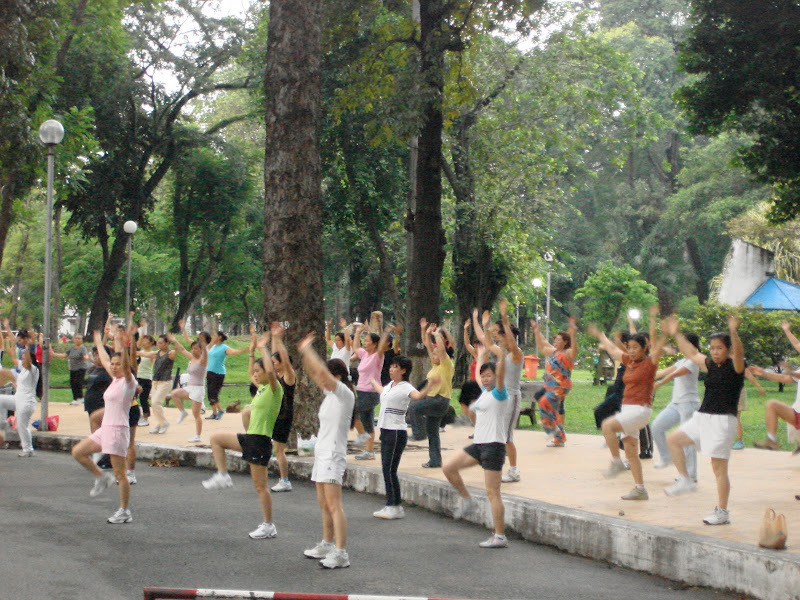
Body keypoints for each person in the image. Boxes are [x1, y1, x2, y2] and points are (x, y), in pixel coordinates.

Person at [663, 315, 746, 526]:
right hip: (702, 417)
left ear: (728, 350)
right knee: (673, 440)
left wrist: (733, 331)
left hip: (723, 422)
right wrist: (676, 333)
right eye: (712, 348)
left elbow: (739, 353)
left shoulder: (736, 367)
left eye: (719, 348)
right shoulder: (710, 364)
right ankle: (685, 479)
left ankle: (723, 512)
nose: (715, 351)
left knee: (718, 469)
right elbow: (691, 353)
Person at [202, 331, 284, 540]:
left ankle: (269, 525)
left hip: (261, 441)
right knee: (216, 439)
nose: (255, 375)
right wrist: (252, 352)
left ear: (267, 372)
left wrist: (263, 348)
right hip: (251, 438)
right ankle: (223, 475)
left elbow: (271, 372)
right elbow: (251, 374)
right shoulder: (262, 389)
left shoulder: (274, 389)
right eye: (255, 372)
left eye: (258, 371)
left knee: (261, 486)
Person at [588, 311, 665, 502]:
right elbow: (613, 350)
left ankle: (616, 462)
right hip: (628, 409)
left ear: (644, 348)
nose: (631, 351)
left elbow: (655, 345)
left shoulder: (649, 363)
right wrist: (600, 335)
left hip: (640, 410)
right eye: (629, 347)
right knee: (631, 451)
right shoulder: (629, 361)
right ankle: (640, 489)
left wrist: (654, 321)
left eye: (635, 347)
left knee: (607, 426)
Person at [442, 337, 510, 548]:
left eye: (489, 375)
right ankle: (467, 499)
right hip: (479, 445)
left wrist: (500, 354)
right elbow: (480, 380)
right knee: (449, 468)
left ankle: (500, 536)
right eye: (483, 376)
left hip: (494, 446)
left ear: (497, 377)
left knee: (493, 493)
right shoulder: (484, 395)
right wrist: (480, 356)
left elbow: (500, 373)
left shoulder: (500, 394)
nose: (485, 379)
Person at [298, 333, 355, 569]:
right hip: (321, 454)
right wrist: (303, 353)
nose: (321, 380)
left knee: (334, 505)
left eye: (328, 376)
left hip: (333, 455)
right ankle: (327, 544)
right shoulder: (329, 395)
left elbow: (321, 372)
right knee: (323, 503)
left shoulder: (345, 395)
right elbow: (315, 373)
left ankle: (341, 553)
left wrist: (308, 349)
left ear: (338, 377)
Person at [71, 329, 137, 523]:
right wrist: (99, 341)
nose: (114, 367)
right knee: (78, 452)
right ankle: (101, 477)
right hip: (105, 429)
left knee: (120, 475)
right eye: (113, 364)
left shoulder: (128, 382)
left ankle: (124, 511)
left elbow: (126, 366)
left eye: (118, 364)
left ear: (125, 366)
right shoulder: (115, 379)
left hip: (118, 431)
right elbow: (106, 359)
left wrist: (123, 345)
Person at [369, 356, 436, 519]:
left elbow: (418, 396)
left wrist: (430, 385)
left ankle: (394, 506)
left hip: (396, 432)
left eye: (395, 367)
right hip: (385, 430)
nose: (391, 369)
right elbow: (382, 392)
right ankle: (392, 505)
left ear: (403, 371)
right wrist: (371, 381)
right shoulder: (390, 386)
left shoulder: (406, 387)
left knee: (389, 470)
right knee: (386, 469)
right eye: (391, 366)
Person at [651, 333, 702, 479]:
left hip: (689, 404)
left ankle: (690, 474)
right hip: (675, 403)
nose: (680, 346)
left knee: (686, 438)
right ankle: (666, 457)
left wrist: (659, 384)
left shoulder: (694, 361)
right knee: (656, 427)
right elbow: (663, 372)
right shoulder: (681, 361)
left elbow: (675, 374)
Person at [409, 319, 454, 468]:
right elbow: (427, 345)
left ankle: (418, 434)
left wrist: (436, 335)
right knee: (433, 433)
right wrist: (425, 331)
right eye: (432, 355)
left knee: (414, 407)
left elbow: (440, 349)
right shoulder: (435, 365)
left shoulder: (446, 364)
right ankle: (435, 461)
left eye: (436, 354)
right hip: (434, 400)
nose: (433, 356)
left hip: (439, 400)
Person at [751, 321, 800, 454]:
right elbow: (785, 378)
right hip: (797, 413)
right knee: (772, 405)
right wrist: (764, 373)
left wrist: (791, 372)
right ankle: (772, 440)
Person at [532, 316, 578, 449]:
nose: (555, 341)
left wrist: (573, 334)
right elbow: (541, 346)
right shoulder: (553, 352)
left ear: (565, 342)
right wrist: (536, 332)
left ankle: (550, 429)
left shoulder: (567, 353)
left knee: (543, 402)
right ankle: (559, 439)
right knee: (553, 412)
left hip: (561, 387)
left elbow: (575, 350)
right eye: (555, 339)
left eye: (558, 340)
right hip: (550, 387)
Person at [350, 323, 388, 459]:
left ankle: (362, 435)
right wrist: (358, 332)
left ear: (375, 344)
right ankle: (369, 452)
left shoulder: (378, 356)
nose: (365, 343)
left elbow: (382, 347)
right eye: (364, 341)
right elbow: (355, 348)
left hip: (371, 393)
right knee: (368, 423)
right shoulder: (364, 354)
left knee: (352, 412)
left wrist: (386, 332)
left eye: (367, 341)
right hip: (361, 391)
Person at [0, 325, 39, 457]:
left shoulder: (33, 370)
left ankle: (28, 450)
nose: (22, 360)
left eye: (24, 358)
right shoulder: (22, 369)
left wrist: (28, 346)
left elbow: (27, 359)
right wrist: (10, 345)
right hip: (18, 399)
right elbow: (13, 358)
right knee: (0, 400)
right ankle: (3, 424)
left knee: (23, 426)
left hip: (27, 403)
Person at [168, 331, 208, 443]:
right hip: (190, 387)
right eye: (192, 348)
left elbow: (205, 354)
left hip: (198, 389)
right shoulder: (192, 358)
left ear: (200, 350)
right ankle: (182, 412)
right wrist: (174, 340)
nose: (193, 350)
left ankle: (198, 435)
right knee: (174, 394)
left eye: (196, 348)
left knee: (196, 414)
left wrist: (204, 344)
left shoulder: (203, 361)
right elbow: (182, 349)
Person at [205, 329, 248, 420]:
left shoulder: (224, 347)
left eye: (214, 335)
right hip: (210, 372)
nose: (212, 337)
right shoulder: (213, 347)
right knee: (209, 394)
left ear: (219, 337)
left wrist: (245, 350)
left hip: (218, 373)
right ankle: (214, 413)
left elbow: (235, 352)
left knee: (214, 393)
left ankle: (220, 410)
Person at [139, 335, 176, 434]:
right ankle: (160, 423)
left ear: (167, 343)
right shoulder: (157, 353)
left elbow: (177, 349)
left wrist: (175, 341)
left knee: (155, 402)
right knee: (154, 403)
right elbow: (144, 353)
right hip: (155, 382)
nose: (158, 344)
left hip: (165, 382)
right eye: (158, 343)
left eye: (161, 343)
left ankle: (164, 423)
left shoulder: (170, 353)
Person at [50, 333, 89, 406]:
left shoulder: (83, 348)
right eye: (76, 338)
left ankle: (80, 398)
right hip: (73, 368)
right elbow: (64, 355)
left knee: (78, 382)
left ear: (82, 340)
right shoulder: (72, 348)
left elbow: (86, 356)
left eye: (79, 338)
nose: (77, 340)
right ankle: (75, 398)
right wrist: (54, 354)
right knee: (73, 383)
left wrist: (85, 357)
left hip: (81, 368)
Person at [731, 367, 765, 449]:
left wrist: (758, 387)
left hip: (737, 391)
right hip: (724, 391)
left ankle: (739, 441)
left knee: (736, 417)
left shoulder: (738, 361)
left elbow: (747, 373)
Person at [135, 327, 155, 427]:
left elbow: (150, 357)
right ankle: (136, 415)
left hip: (146, 378)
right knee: (134, 397)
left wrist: (139, 353)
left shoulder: (152, 354)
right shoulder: (140, 352)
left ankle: (146, 417)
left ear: (151, 343)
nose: (144, 343)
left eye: (146, 341)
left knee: (143, 398)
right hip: (138, 377)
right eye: (143, 341)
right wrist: (141, 333)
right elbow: (137, 347)